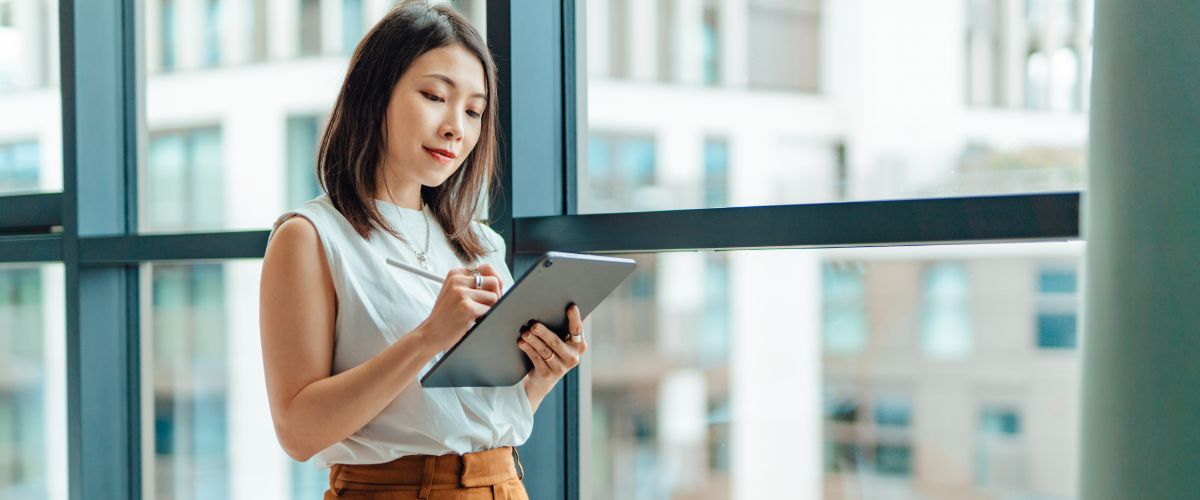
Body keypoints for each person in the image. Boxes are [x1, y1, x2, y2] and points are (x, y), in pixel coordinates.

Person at [258, 2, 586, 498]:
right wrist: (429, 337)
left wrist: (541, 374)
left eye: (474, 111)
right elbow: (298, 432)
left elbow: (473, 417)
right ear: (374, 95)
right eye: (435, 95)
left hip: (503, 483)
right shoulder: (310, 238)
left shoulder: (478, 242)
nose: (457, 127)